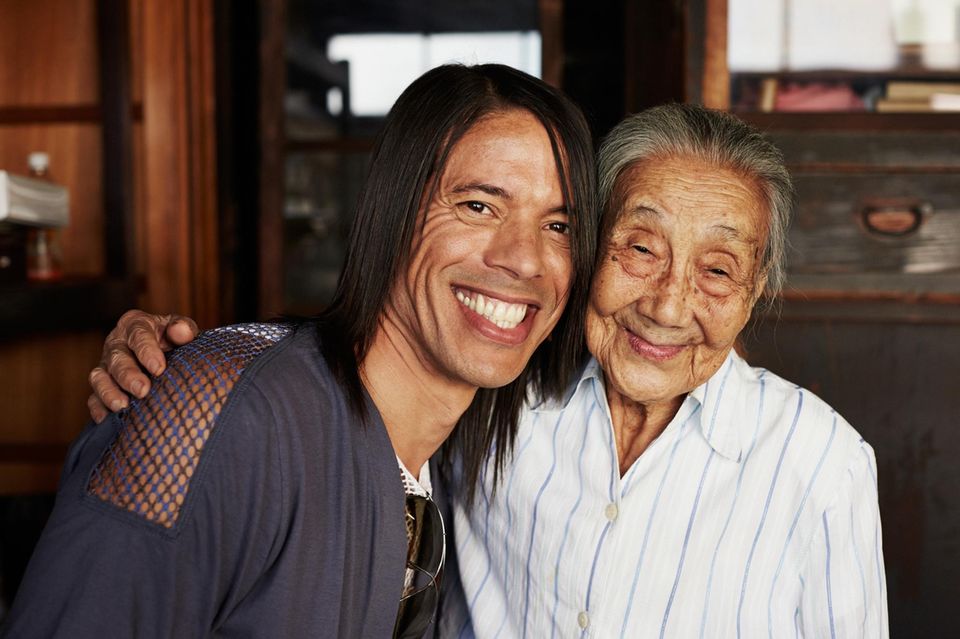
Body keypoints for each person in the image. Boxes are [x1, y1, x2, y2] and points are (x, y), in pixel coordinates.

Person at [83, 105, 889, 637]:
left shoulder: (823, 465)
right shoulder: (496, 388)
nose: (669, 304)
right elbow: (367, 358)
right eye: (640, 249)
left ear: (754, 293)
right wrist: (192, 362)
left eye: (717, 271)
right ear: (588, 255)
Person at [2, 63, 597, 638]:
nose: (524, 259)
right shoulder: (228, 412)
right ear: (392, 213)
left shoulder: (465, 456)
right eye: (478, 206)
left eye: (559, 227)